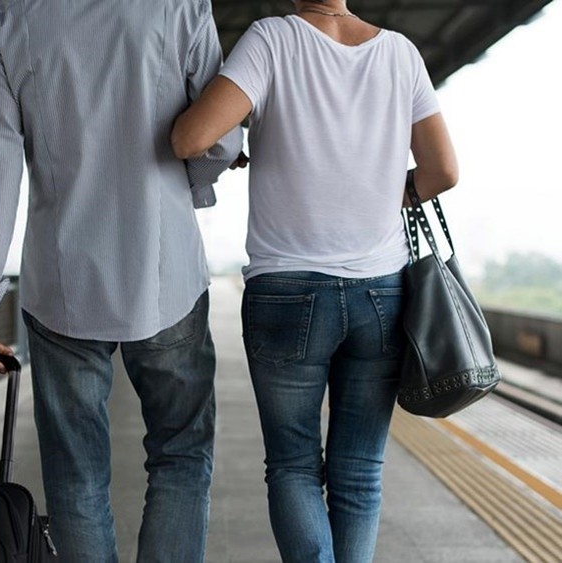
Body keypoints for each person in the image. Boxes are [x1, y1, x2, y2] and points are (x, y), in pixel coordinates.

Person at [0, 1, 243, 561]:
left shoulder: (11, 19)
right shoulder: (180, 8)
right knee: (181, 455)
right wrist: (193, 182)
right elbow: (219, 138)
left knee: (76, 475)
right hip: (166, 269)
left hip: (61, 283)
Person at [171, 0, 458, 561]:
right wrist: (384, 195)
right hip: (383, 291)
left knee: (294, 465)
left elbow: (188, 138)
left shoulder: (272, 39)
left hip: (287, 290)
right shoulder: (400, 53)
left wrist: (229, 147)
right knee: (359, 474)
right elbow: (443, 170)